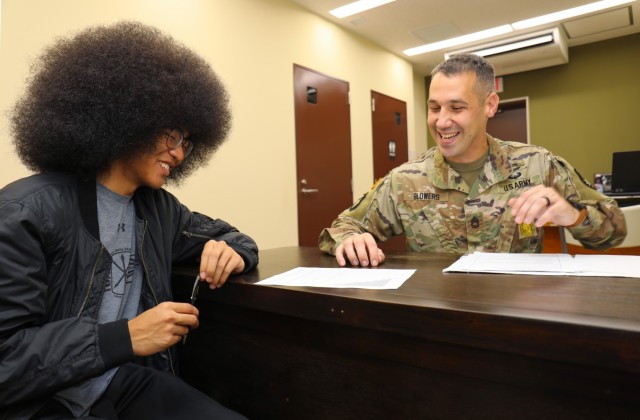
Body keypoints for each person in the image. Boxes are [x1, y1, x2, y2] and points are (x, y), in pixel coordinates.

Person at [0, 21, 258, 419]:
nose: (179, 154)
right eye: (171, 135)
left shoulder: (160, 209)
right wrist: (122, 337)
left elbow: (230, 236)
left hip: (118, 382)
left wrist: (233, 252)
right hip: (41, 402)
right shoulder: (25, 212)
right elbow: (6, 360)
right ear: (125, 116)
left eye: (187, 142)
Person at [319, 53, 626, 267]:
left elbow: (613, 233)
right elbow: (341, 227)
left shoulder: (538, 165)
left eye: (456, 107)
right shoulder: (406, 179)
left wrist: (573, 215)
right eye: (434, 107)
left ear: (489, 105)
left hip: (519, 317)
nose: (441, 121)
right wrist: (349, 240)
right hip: (439, 321)